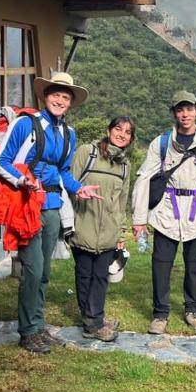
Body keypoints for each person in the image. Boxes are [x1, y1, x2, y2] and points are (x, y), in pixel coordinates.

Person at [0, 72, 102, 354]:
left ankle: (38, 326)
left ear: (70, 103)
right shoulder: (25, 125)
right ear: (45, 96)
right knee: (32, 270)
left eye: (65, 97)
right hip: (26, 204)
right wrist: (21, 180)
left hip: (52, 205)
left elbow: (64, 172)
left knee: (44, 272)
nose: (60, 100)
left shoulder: (68, 133)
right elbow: (0, 161)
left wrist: (79, 189)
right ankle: (28, 331)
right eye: (56, 94)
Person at [131, 90, 196, 335]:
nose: (185, 114)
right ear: (174, 113)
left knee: (193, 265)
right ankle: (160, 314)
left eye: (189, 109)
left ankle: (193, 310)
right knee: (161, 264)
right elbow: (144, 179)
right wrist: (139, 219)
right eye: (180, 109)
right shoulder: (160, 144)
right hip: (166, 211)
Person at [69, 115, 135, 342]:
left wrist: (121, 231)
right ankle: (92, 323)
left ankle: (95, 318)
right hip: (84, 224)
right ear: (109, 131)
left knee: (100, 277)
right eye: (118, 129)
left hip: (109, 230)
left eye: (127, 132)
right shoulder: (87, 153)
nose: (122, 134)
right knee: (85, 274)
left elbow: (122, 201)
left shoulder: (125, 165)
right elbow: (69, 183)